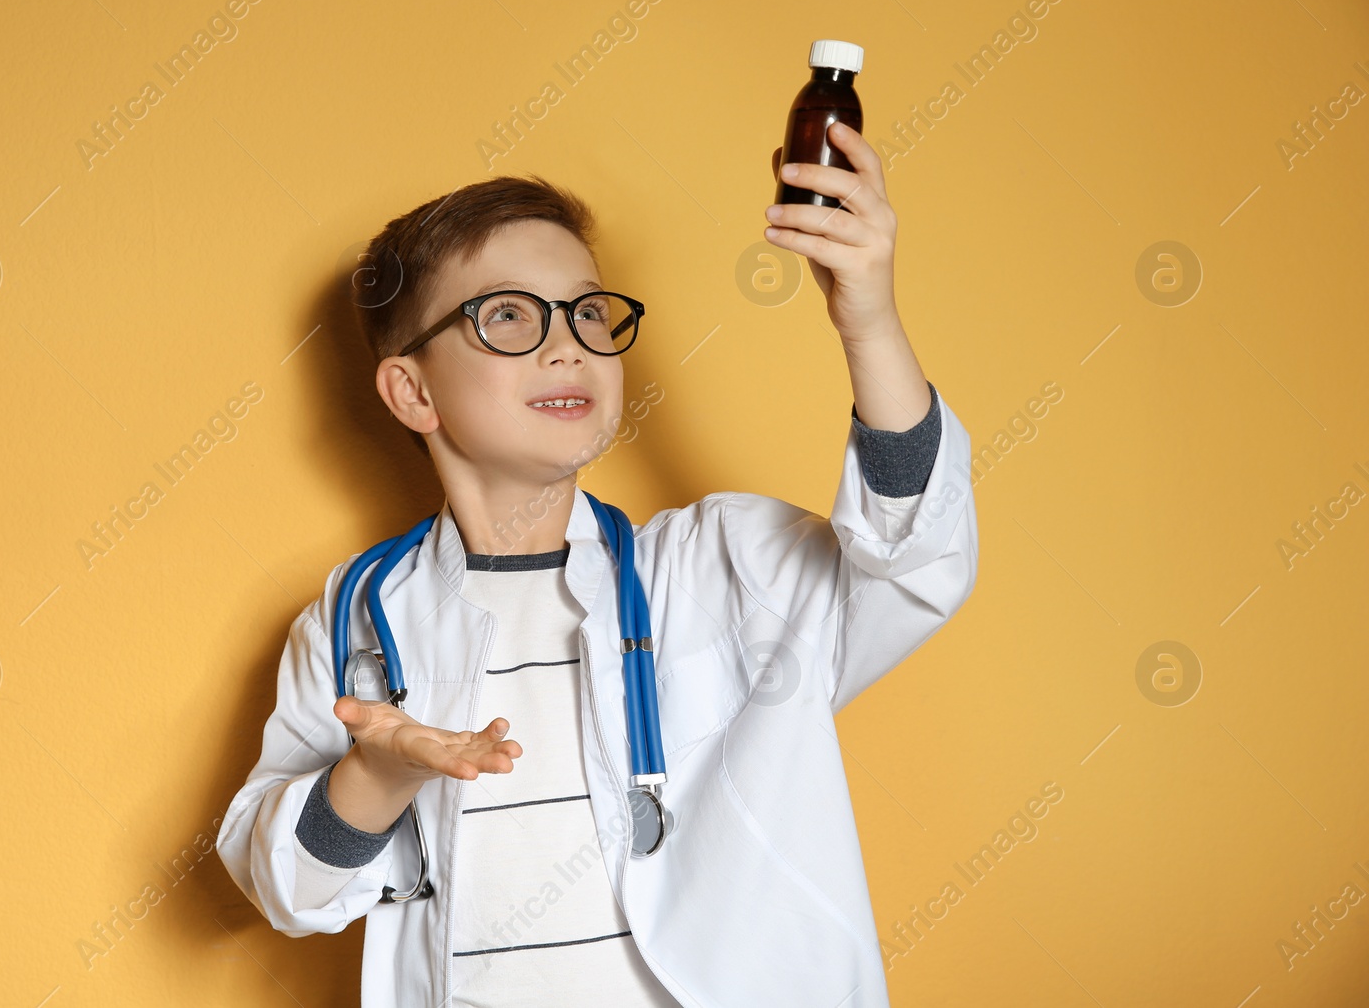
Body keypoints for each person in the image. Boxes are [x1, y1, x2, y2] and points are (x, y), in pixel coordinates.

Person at [217, 122, 978, 1007]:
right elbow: (283, 888)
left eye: (586, 311)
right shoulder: (355, 621)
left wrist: (869, 318)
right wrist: (377, 773)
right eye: (506, 315)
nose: (567, 342)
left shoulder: (716, 567)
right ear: (413, 392)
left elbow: (915, 560)